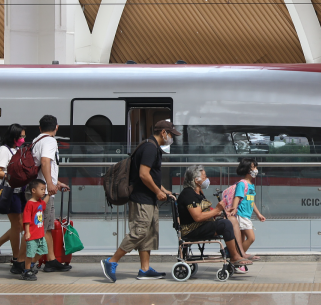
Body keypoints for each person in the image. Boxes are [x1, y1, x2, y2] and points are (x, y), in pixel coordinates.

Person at [101, 120, 180, 283]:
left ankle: (145, 269)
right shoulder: (150, 147)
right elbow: (144, 174)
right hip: (142, 199)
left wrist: (164, 191)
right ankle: (111, 261)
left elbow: (152, 175)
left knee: (148, 234)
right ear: (164, 132)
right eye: (171, 134)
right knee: (139, 232)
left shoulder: (151, 146)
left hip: (149, 198)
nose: (171, 138)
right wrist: (158, 191)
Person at [176, 165, 252, 273]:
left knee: (232, 220)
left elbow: (206, 212)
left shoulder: (198, 193)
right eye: (204, 176)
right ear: (196, 179)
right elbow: (198, 217)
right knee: (225, 224)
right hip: (192, 229)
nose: (206, 179)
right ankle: (234, 256)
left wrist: (222, 212)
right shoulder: (188, 194)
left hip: (202, 225)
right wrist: (216, 210)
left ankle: (239, 253)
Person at [31, 115, 71, 272]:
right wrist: (49, 185)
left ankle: (51, 260)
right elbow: (46, 161)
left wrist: (57, 183)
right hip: (44, 192)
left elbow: (40, 167)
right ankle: (27, 263)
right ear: (57, 127)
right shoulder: (49, 141)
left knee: (46, 227)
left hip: (40, 188)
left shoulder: (36, 140)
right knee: (40, 228)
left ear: (40, 128)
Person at [0, 124, 28, 274]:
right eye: (21, 136)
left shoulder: (17, 150)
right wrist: (11, 176)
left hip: (20, 191)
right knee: (17, 225)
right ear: (14, 137)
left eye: (24, 136)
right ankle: (16, 258)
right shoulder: (4, 150)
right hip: (10, 192)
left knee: (20, 225)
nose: (23, 139)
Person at [230, 159, 265, 258]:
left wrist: (258, 214)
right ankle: (237, 256)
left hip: (246, 215)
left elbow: (251, 201)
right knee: (251, 238)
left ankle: (237, 259)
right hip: (241, 215)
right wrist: (234, 208)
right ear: (247, 169)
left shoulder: (251, 185)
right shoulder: (242, 184)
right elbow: (237, 197)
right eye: (254, 167)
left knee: (241, 240)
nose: (256, 170)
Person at [21, 179, 50, 281]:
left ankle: (31, 264)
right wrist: (27, 232)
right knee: (30, 253)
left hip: (40, 234)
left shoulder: (40, 202)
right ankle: (26, 271)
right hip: (32, 235)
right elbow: (27, 219)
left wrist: (49, 195)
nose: (43, 191)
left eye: (44, 189)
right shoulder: (30, 204)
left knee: (43, 250)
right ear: (33, 190)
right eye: (42, 189)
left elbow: (44, 205)